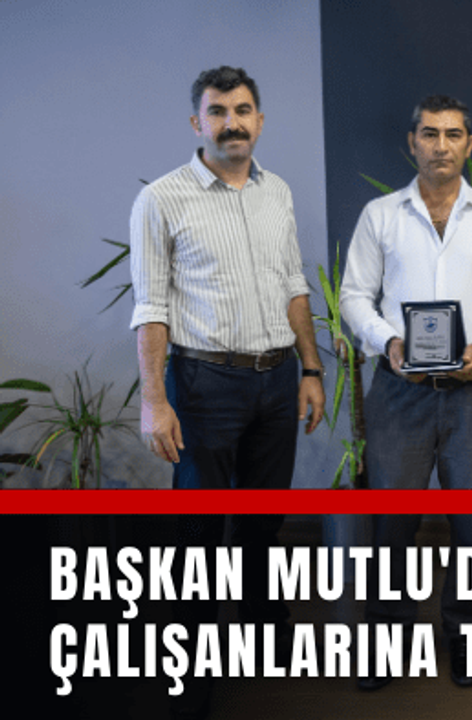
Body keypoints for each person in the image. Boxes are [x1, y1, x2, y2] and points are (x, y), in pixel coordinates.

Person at [130, 65, 325, 720]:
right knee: (199, 530)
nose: (231, 123)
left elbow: (293, 283)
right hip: (204, 383)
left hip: (277, 379)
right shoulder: (162, 199)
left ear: (259, 120)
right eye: (217, 112)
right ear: (197, 122)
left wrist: (311, 369)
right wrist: (155, 400)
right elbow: (151, 305)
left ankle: (264, 638)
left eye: (242, 111)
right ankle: (189, 675)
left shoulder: (278, 192)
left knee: (263, 519)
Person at [340, 96, 472, 688]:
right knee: (391, 525)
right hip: (399, 392)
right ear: (412, 142)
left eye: (452, 135)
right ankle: (386, 641)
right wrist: (389, 342)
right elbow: (354, 296)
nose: (441, 145)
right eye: (430, 134)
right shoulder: (380, 215)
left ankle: (466, 636)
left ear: (468, 144)